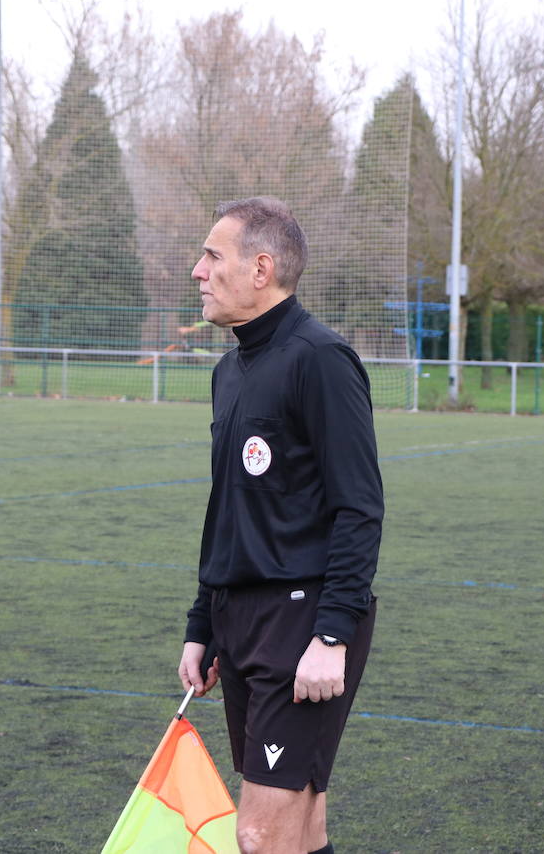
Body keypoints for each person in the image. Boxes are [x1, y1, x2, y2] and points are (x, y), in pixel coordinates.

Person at [178, 197, 382, 854]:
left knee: (259, 833)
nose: (197, 271)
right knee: (298, 827)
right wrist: (204, 624)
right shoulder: (229, 371)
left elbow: (360, 505)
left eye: (212, 256)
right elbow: (229, 510)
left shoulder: (320, 358)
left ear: (260, 268)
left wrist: (332, 633)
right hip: (241, 620)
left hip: (302, 622)